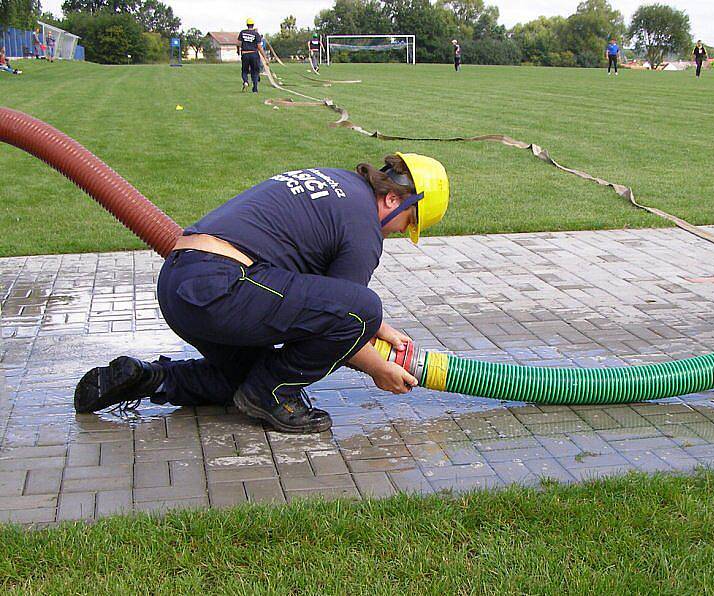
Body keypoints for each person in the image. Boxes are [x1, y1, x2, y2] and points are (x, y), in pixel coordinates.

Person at [74, 153, 450, 434]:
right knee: (363, 309)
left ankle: (149, 378)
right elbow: (348, 319)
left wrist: (380, 329)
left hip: (179, 284)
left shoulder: (339, 184)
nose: (401, 231)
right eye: (409, 222)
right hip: (223, 287)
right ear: (394, 200)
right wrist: (379, 369)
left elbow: (327, 299)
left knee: (243, 380)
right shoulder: (364, 227)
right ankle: (272, 395)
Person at [237, 18, 262, 92]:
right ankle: (255, 88)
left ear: (247, 25)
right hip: (254, 54)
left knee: (244, 71)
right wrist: (265, 56)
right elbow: (259, 46)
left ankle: (245, 81)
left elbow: (238, 43)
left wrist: (238, 51)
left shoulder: (242, 32)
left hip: (245, 54)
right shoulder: (256, 34)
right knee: (255, 71)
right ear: (253, 25)